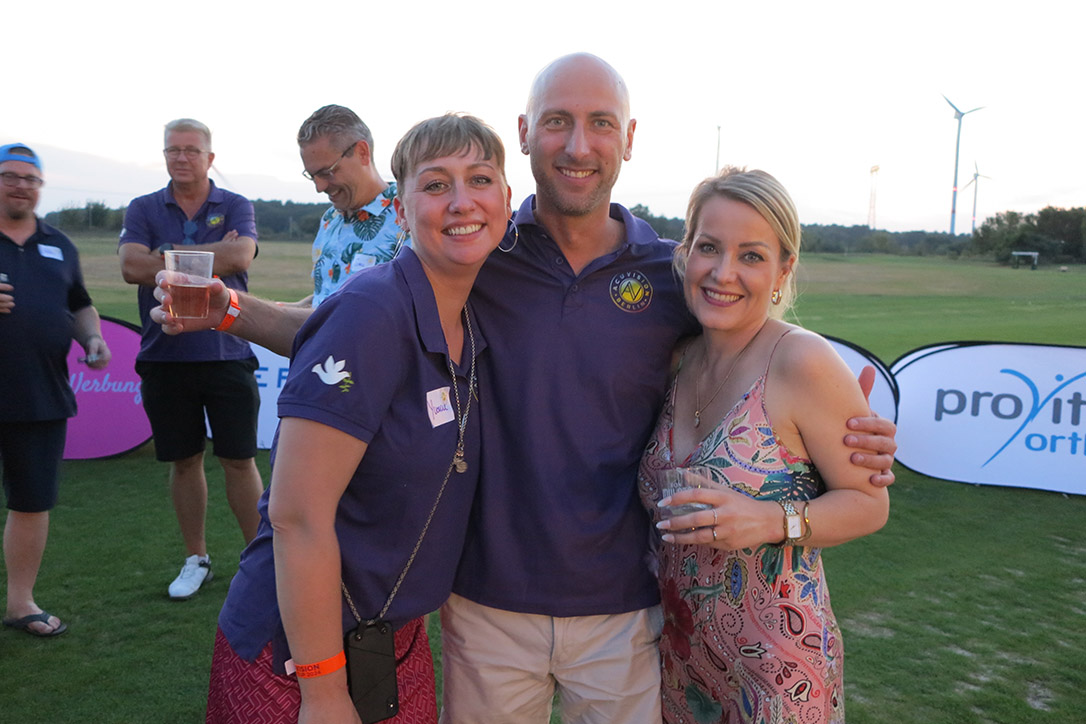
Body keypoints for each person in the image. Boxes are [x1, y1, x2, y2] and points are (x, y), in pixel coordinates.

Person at [149, 55, 897, 723]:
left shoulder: (671, 273)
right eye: (558, 122)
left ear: (628, 138)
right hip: (484, 605)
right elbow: (343, 330)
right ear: (526, 134)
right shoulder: (478, 250)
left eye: (601, 123)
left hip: (625, 609)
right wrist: (234, 310)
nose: (578, 145)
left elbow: (748, 330)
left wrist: (842, 427)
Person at [203, 113, 512, 724]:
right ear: (402, 210)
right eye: (435, 184)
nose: (461, 201)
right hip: (296, 650)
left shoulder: (470, 317)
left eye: (480, 179)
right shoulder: (371, 311)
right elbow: (295, 516)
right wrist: (322, 689)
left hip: (391, 638)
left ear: (506, 200)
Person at [642, 167, 891, 722]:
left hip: (779, 676)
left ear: (783, 270)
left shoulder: (801, 360)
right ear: (686, 252)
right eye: (709, 247)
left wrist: (770, 521)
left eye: (751, 255)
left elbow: (869, 504)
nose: (723, 272)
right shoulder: (678, 359)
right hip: (681, 667)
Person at [118, 119, 263, 600]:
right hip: (166, 355)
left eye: (191, 150)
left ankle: (260, 561)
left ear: (209, 158)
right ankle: (196, 558)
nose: (181, 158)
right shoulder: (143, 206)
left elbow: (240, 257)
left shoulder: (235, 204)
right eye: (173, 150)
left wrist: (165, 255)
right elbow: (130, 267)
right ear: (164, 155)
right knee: (184, 461)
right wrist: (208, 256)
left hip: (227, 350)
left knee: (239, 460)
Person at [0, 143, 111, 637]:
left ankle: (20, 603)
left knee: (31, 502)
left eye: (30, 178)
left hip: (39, 394)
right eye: (9, 175)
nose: (20, 185)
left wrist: (92, 337)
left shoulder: (60, 245)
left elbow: (79, 303)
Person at [299, 104, 405, 307]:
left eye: (327, 172)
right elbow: (325, 297)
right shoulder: (330, 219)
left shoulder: (408, 217)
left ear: (362, 153)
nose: (319, 187)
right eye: (312, 176)